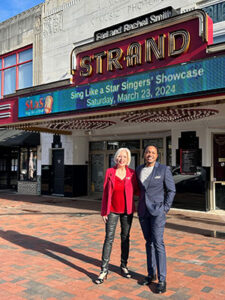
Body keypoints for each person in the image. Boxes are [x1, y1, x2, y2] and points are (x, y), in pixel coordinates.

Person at [95, 147, 139, 284]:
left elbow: (138, 190)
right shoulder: (110, 172)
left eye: (124, 157)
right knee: (109, 238)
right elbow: (105, 193)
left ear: (128, 159)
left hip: (127, 211)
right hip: (112, 210)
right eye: (119, 156)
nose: (121, 159)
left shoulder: (132, 173)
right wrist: (104, 211)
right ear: (116, 158)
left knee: (125, 238)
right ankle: (104, 270)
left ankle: (124, 265)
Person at [136, 145, 176, 294]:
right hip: (143, 212)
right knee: (149, 242)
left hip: (158, 212)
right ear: (144, 154)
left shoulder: (164, 170)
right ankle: (150, 274)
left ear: (157, 155)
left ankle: (162, 279)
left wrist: (165, 208)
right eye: (147, 152)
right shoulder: (139, 169)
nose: (150, 154)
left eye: (153, 152)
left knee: (158, 243)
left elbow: (171, 190)